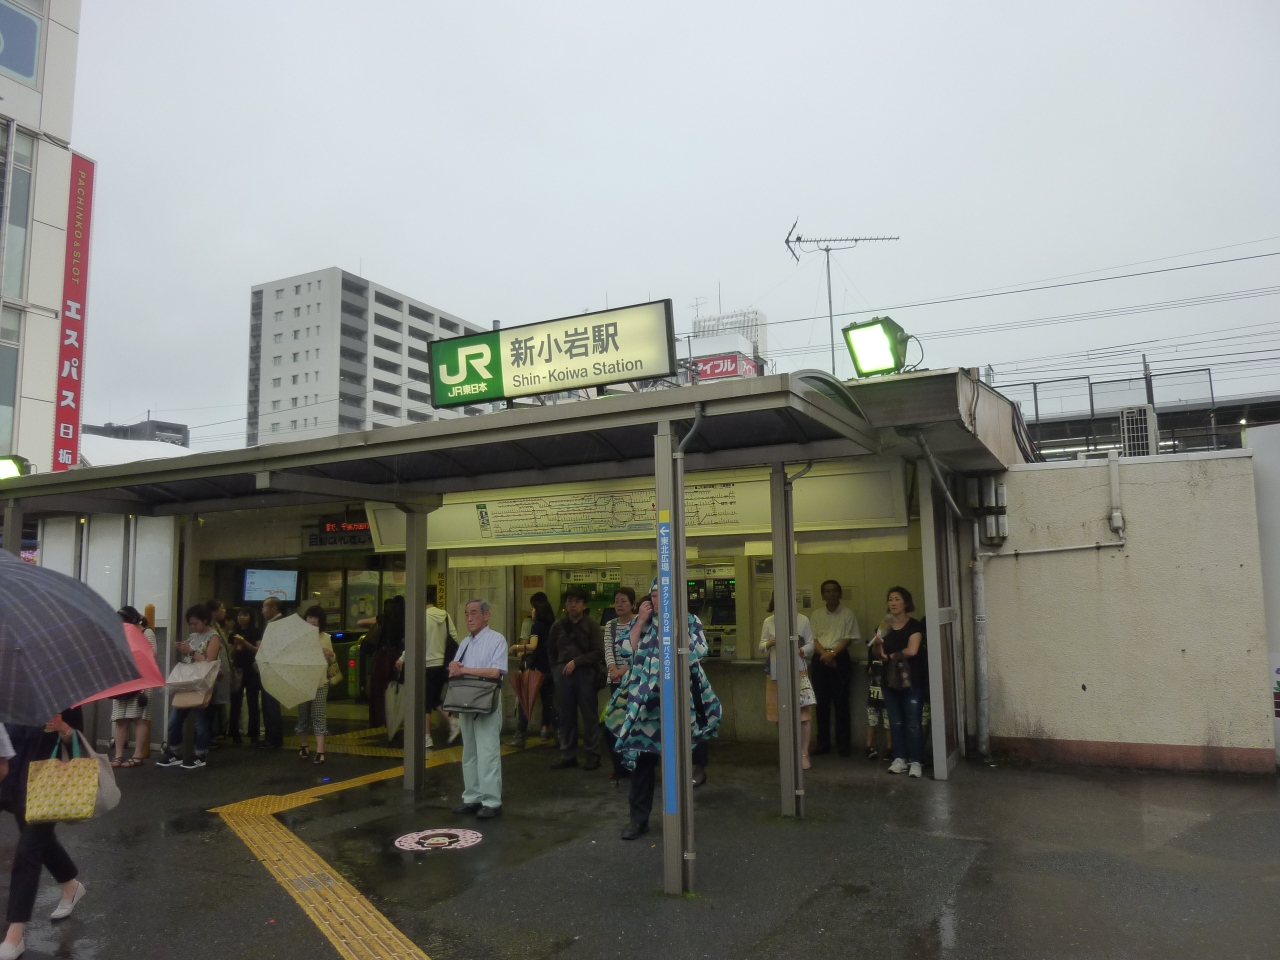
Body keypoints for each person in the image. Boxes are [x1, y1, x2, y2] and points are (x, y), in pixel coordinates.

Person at [609, 578, 721, 840]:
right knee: (643, 764)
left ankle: (679, 819)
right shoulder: (644, 621)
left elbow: (699, 649)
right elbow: (625, 650)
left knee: (678, 763)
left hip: (677, 702)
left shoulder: (689, 620)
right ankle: (638, 820)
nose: (658, 601)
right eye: (654, 596)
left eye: (663, 595)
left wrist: (674, 627)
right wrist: (639, 620)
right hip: (645, 706)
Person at [0, 712, 87, 960]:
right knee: (41, 843)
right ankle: (71, 884)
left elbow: (77, 740)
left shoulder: (59, 698)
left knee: (27, 850)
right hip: (9, 781)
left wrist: (63, 727)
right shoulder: (9, 697)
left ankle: (14, 934)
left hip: (46, 786)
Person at [450, 599, 508, 819]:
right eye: (466, 614)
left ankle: (492, 801)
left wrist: (466, 670)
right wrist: (453, 665)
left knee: (488, 752)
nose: (469, 618)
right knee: (470, 752)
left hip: (486, 701)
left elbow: (496, 672)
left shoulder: (496, 639)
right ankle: (472, 797)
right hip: (466, 701)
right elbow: (456, 668)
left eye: (474, 613)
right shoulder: (465, 642)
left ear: (486, 615)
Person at [548, 585, 606, 771]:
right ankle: (568, 755)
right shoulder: (558, 625)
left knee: (589, 716)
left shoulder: (591, 625)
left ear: (584, 605)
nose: (572, 605)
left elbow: (598, 652)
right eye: (569, 601)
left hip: (585, 674)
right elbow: (551, 650)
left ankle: (593, 755)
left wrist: (576, 662)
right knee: (566, 716)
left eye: (577, 601)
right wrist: (556, 670)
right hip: (563, 674)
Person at [156, 604, 222, 769]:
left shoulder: (214, 637)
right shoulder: (192, 637)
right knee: (174, 720)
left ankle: (200, 754)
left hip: (203, 683)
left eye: (195, 623)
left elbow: (210, 662)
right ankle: (175, 752)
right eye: (190, 624)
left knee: (200, 720)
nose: (193, 627)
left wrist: (191, 651)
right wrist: (185, 650)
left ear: (205, 620)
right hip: (188, 681)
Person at [396, 585, 460, 748]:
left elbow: (413, 641)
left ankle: (427, 736)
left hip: (427, 665)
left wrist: (402, 658)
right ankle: (453, 721)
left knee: (425, 701)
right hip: (442, 665)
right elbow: (454, 637)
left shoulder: (421, 617)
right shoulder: (445, 615)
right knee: (434, 698)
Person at [871, 586, 925, 778]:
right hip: (890, 680)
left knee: (913, 723)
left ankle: (916, 761)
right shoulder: (884, 625)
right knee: (895, 722)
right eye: (890, 599)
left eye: (897, 599)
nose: (893, 603)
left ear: (906, 602)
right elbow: (877, 654)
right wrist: (878, 645)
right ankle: (899, 758)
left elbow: (912, 650)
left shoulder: (914, 625)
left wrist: (890, 656)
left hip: (911, 681)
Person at [759, 596, 816, 770]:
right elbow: (761, 646)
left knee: (803, 715)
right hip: (777, 671)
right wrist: (769, 643)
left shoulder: (803, 620)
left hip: (798, 671)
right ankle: (788, 752)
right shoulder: (769, 621)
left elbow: (811, 644)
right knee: (780, 715)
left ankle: (804, 753)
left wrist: (801, 650)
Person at [808, 579, 860, 757]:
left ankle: (843, 745)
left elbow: (848, 638)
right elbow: (813, 638)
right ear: (822, 595)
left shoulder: (848, 614)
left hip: (840, 658)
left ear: (840, 593)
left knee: (841, 703)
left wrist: (832, 655)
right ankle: (823, 744)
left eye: (834, 591)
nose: (831, 594)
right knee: (821, 703)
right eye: (827, 591)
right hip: (820, 658)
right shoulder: (816, 614)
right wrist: (824, 655)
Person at [110, 606, 156, 768]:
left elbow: (151, 655)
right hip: (124, 680)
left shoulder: (147, 633)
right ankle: (118, 755)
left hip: (142, 680)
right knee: (120, 719)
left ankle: (138, 755)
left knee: (139, 718)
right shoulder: (121, 634)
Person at [508, 592, 555, 747]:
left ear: (538, 610)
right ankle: (557, 734)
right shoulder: (553, 625)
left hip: (536, 670)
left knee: (525, 703)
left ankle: (520, 736)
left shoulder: (536, 626)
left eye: (533, 608)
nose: (532, 611)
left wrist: (516, 647)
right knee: (549, 703)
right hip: (549, 669)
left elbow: (533, 646)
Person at [601, 586, 637, 783]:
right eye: (616, 601)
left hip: (634, 681)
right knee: (614, 725)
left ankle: (635, 766)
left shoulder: (639, 623)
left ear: (633, 604)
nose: (619, 605)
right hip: (615, 681)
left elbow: (637, 651)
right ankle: (618, 767)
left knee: (633, 724)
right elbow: (608, 649)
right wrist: (613, 669)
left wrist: (622, 671)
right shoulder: (611, 625)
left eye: (623, 601)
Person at [296, 605, 336, 764]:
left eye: (316, 618)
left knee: (318, 715)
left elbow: (332, 660)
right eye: (310, 617)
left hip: (320, 682)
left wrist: (331, 654)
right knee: (303, 715)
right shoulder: (300, 637)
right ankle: (304, 745)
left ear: (321, 620)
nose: (312, 620)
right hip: (302, 682)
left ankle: (320, 751)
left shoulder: (326, 637)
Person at [365, 596, 405, 730]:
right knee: (397, 689)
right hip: (398, 657)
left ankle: (378, 720)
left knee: (378, 690)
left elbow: (360, 622)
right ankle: (396, 719)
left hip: (382, 657)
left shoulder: (383, 618)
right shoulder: (405, 620)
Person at [228, 607, 263, 744]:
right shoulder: (233, 633)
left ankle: (254, 733)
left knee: (252, 701)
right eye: (239, 615)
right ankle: (234, 732)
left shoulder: (256, 631)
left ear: (250, 617)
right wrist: (236, 647)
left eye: (245, 615)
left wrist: (245, 643)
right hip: (238, 669)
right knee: (236, 702)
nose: (241, 617)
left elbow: (258, 650)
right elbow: (230, 654)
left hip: (252, 670)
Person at [205, 599, 234, 741]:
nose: (224, 611)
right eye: (221, 608)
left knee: (216, 705)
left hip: (222, 671)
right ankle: (209, 736)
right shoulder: (209, 628)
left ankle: (213, 734)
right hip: (215, 672)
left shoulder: (217, 626)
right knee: (210, 704)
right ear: (213, 611)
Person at [258, 597, 285, 749]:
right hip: (270, 669)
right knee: (268, 705)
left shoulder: (277, 624)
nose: (262, 611)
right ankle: (271, 737)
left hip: (273, 670)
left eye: (265, 607)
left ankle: (273, 739)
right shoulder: (273, 623)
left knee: (271, 705)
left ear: (274, 608)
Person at [865, 628, 891, 760]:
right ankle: (870, 746)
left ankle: (889, 747)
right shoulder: (873, 654)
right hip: (875, 694)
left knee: (886, 723)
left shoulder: (888, 654)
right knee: (873, 721)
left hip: (883, 694)